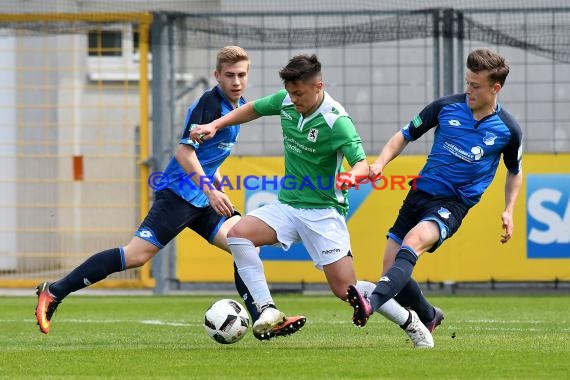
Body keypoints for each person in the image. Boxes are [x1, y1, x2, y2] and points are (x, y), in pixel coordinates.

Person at [34, 46, 306, 340]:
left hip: (203, 198)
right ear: (217, 76)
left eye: (241, 75)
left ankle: (264, 318)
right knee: (136, 256)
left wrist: (215, 181)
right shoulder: (210, 104)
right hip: (178, 195)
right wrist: (210, 190)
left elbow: (208, 155)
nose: (236, 81)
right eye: (229, 75)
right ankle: (54, 292)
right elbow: (185, 152)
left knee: (245, 243)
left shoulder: (236, 106)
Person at [190, 54, 430, 344]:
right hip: (288, 206)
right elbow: (253, 109)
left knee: (346, 290)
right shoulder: (286, 101)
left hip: (324, 213)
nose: (294, 99)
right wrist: (216, 125)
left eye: (299, 93)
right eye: (290, 93)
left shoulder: (336, 121)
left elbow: (361, 163)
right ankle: (267, 310)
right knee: (238, 234)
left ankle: (411, 321)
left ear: (318, 86)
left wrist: (352, 177)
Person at [346, 48, 523, 348]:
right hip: (418, 194)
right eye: (467, 82)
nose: (468, 90)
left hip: (452, 204)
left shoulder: (508, 130)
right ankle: (429, 315)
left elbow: (514, 171)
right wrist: (380, 163)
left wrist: (509, 209)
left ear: (496, 88)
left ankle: (370, 305)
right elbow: (404, 134)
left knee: (413, 242)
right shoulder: (445, 107)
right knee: (392, 271)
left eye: (476, 85)